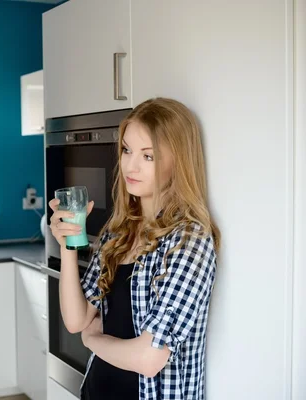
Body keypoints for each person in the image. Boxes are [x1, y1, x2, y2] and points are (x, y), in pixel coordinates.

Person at [49, 97, 220, 400]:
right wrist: (67, 248)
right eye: (127, 150)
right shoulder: (118, 232)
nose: (131, 165)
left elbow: (149, 359)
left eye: (148, 156)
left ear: (177, 161)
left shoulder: (189, 241)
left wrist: (92, 340)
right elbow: (76, 319)